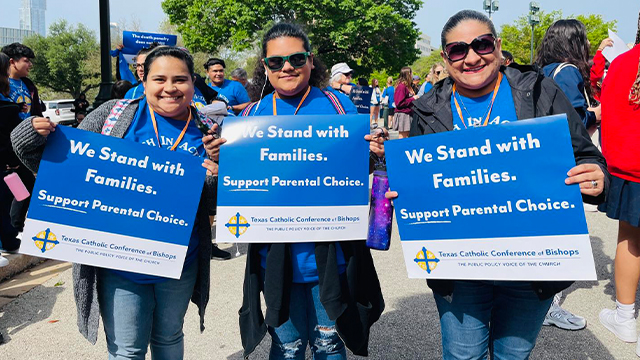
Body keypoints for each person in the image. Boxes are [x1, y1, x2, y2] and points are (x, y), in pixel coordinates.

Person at [378, 10, 607, 359]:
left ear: (498, 46)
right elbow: (417, 180)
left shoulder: (539, 91)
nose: (472, 57)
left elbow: (585, 155)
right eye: (458, 50)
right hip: (460, 268)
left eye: (482, 44)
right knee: (463, 355)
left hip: (532, 265)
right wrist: (402, 186)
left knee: (513, 356)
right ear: (445, 58)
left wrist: (594, 174)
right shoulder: (427, 108)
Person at [11, 46, 219, 360]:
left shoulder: (208, 129)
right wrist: (31, 135)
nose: (170, 87)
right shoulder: (113, 115)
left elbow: (214, 203)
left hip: (179, 261)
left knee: (169, 338)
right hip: (120, 262)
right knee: (127, 350)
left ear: (193, 83)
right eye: (159, 78)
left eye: (181, 79)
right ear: (144, 80)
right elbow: (66, 172)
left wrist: (217, 171)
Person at [238, 22, 384, 360]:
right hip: (273, 256)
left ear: (311, 60)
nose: (286, 66)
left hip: (329, 255)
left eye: (296, 58)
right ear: (265, 66)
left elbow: (357, 173)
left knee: (328, 344)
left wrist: (374, 156)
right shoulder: (249, 116)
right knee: (286, 346)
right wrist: (219, 162)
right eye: (276, 61)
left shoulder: (339, 107)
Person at [598, 12, 640, 355]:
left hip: (632, 169)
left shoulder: (624, 63)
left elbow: (608, 112)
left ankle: (625, 316)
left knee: (631, 239)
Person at [535, 19, 601, 134]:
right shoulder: (568, 71)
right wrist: (595, 115)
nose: (588, 43)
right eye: (584, 39)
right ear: (573, 44)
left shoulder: (543, 70)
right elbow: (574, 121)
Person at [1, 42, 40, 236]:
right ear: (11, 62)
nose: (29, 65)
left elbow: (36, 112)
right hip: (7, 147)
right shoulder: (3, 85)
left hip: (26, 145)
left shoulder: (29, 86)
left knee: (26, 187)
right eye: (26, 61)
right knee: (17, 188)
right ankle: (13, 230)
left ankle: (15, 229)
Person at [0, 52, 29, 254]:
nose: (29, 64)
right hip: (8, 163)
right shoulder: (6, 107)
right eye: (26, 60)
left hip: (10, 162)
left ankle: (11, 236)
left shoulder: (24, 89)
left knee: (21, 191)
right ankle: (9, 239)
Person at [393, 66, 417, 139]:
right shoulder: (401, 86)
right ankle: (400, 150)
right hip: (403, 114)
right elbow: (399, 103)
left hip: (408, 113)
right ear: (408, 74)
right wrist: (413, 98)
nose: (412, 75)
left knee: (408, 136)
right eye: (411, 73)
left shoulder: (407, 86)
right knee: (403, 136)